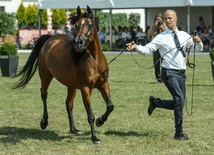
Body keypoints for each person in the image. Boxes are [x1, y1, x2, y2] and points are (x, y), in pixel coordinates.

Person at [126, 9, 203, 140]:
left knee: (179, 102)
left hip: (181, 74)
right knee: (179, 100)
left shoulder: (185, 35)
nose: (167, 20)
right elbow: (147, 50)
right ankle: (179, 133)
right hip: (168, 73)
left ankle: (155, 102)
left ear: (176, 18)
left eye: (170, 18)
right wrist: (136, 47)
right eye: (165, 18)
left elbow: (198, 50)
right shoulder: (161, 37)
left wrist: (199, 42)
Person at [147, 13, 167, 83]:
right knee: (156, 63)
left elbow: (168, 35)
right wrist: (153, 26)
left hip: (164, 47)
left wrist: (162, 27)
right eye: (157, 20)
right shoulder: (153, 27)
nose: (158, 21)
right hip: (155, 47)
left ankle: (164, 78)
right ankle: (158, 78)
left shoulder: (165, 27)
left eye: (159, 20)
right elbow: (149, 35)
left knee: (164, 63)